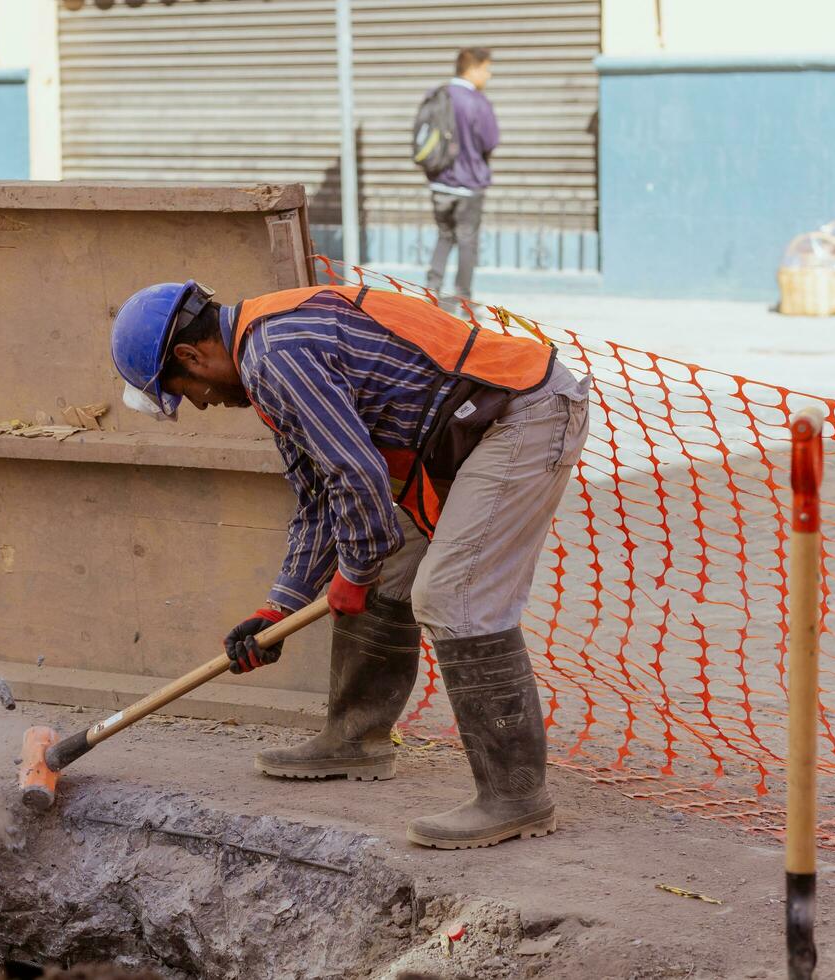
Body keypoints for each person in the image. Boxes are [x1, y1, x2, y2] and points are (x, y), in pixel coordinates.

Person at [110, 281, 591, 850]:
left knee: (451, 594)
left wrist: (354, 573)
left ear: (192, 356)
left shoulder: (275, 356)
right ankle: (354, 739)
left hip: (521, 415)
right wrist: (278, 607)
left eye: (184, 390)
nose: (202, 403)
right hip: (472, 426)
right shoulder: (263, 355)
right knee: (386, 567)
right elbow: (318, 494)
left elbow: (357, 475)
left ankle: (515, 797)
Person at [425, 47, 498, 302]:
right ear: (473, 69)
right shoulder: (477, 101)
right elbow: (490, 141)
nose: (488, 76)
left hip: (439, 183)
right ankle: (463, 298)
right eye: (487, 69)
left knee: (444, 235)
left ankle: (432, 289)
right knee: (467, 241)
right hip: (468, 185)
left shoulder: (438, 95)